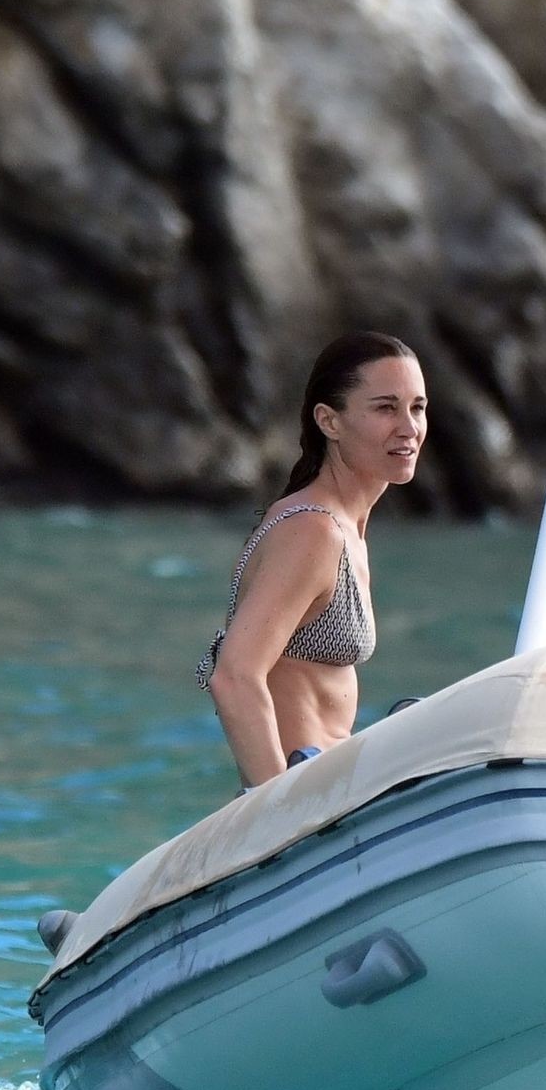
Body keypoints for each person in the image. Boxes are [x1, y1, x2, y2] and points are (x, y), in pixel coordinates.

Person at [197, 333, 426, 792]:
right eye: (385, 408)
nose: (408, 427)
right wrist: (275, 815)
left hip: (326, 787)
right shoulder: (312, 532)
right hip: (299, 795)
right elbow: (235, 676)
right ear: (329, 421)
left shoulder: (342, 528)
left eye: (417, 408)